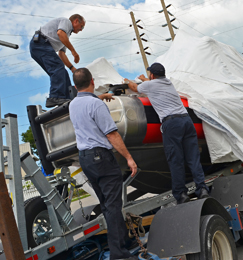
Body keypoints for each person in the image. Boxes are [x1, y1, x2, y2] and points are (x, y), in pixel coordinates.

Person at [69, 68, 138, 260]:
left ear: (75, 86)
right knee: (114, 205)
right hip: (102, 157)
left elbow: (86, 102)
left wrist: (99, 97)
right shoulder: (97, 106)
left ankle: (123, 241)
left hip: (86, 159)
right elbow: (111, 134)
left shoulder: (73, 105)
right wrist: (129, 158)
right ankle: (119, 254)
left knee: (107, 204)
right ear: (92, 80)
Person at [125, 62, 209, 205]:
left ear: (152, 75)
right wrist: (146, 80)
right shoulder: (168, 83)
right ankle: (202, 189)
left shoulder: (150, 85)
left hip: (172, 124)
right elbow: (153, 83)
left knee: (175, 160)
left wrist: (128, 82)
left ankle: (181, 194)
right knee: (193, 158)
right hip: (187, 121)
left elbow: (134, 88)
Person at [30, 14, 85, 108]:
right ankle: (55, 97)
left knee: (62, 72)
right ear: (76, 21)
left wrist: (72, 68)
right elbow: (60, 33)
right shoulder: (66, 22)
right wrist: (74, 52)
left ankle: (68, 98)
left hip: (40, 47)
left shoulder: (66, 36)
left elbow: (61, 54)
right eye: (81, 27)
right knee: (58, 67)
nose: (81, 30)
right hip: (40, 43)